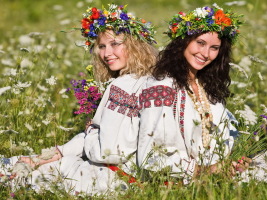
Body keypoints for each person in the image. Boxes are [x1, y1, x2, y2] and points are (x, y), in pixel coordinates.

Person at [0, 4, 157, 195]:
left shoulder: (123, 87)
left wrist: (90, 131)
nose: (106, 54)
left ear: (134, 45)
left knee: (21, 173)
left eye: (115, 44)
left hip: (107, 178)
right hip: (126, 178)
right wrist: (58, 151)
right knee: (30, 163)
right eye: (101, 46)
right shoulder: (148, 81)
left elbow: (108, 151)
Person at [137, 4, 245, 183]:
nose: (205, 54)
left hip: (212, 179)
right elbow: (151, 156)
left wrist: (234, 162)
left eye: (214, 48)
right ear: (183, 41)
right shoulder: (162, 87)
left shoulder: (208, 86)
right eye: (200, 43)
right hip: (174, 183)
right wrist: (206, 171)